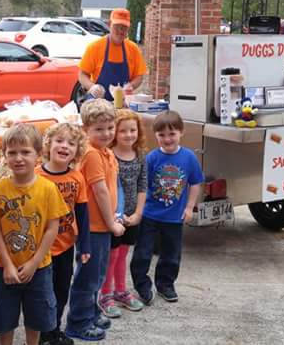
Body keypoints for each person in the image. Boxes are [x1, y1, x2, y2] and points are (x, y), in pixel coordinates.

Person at [0, 124, 69, 345]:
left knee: (37, 317)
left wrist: (34, 262)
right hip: (5, 267)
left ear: (38, 155)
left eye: (25, 152)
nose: (18, 158)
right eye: (12, 153)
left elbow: (53, 228)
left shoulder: (48, 189)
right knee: (4, 318)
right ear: (4, 156)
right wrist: (8, 264)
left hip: (39, 268)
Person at [66, 99, 126, 342]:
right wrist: (112, 223)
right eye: (98, 129)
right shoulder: (91, 154)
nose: (106, 133)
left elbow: (113, 187)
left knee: (98, 275)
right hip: (93, 226)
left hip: (103, 224)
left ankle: (90, 313)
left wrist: (116, 214)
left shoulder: (107, 152)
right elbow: (100, 190)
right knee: (88, 276)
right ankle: (78, 322)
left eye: (110, 127)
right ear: (85, 130)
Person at [130, 111, 204, 305]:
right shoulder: (151, 158)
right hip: (150, 216)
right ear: (155, 135)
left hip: (174, 217)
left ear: (182, 132)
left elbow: (195, 183)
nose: (167, 139)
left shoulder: (189, 158)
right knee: (142, 253)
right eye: (161, 135)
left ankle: (165, 284)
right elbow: (142, 186)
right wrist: (138, 210)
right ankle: (142, 285)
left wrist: (189, 207)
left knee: (171, 255)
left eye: (172, 134)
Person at [37, 123, 91, 345]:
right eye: (59, 141)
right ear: (48, 145)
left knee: (61, 291)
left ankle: (54, 330)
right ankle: (40, 333)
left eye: (71, 143)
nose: (64, 146)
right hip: (40, 249)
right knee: (42, 295)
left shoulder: (77, 177)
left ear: (77, 151)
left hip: (66, 245)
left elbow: (83, 213)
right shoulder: (36, 175)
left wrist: (85, 246)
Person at [98, 109, 147, 318]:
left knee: (123, 255)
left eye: (133, 130)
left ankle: (121, 290)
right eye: (123, 130)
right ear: (115, 133)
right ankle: (105, 294)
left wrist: (138, 214)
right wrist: (113, 216)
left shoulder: (140, 156)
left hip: (132, 217)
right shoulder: (109, 156)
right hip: (113, 217)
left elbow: (142, 185)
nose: (129, 135)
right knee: (111, 255)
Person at [78, 8, 148, 101]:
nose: (120, 31)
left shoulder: (133, 49)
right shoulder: (95, 47)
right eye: (117, 26)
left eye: (124, 27)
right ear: (109, 24)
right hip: (98, 103)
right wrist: (92, 87)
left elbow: (139, 76)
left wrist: (131, 86)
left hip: (123, 103)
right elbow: (82, 74)